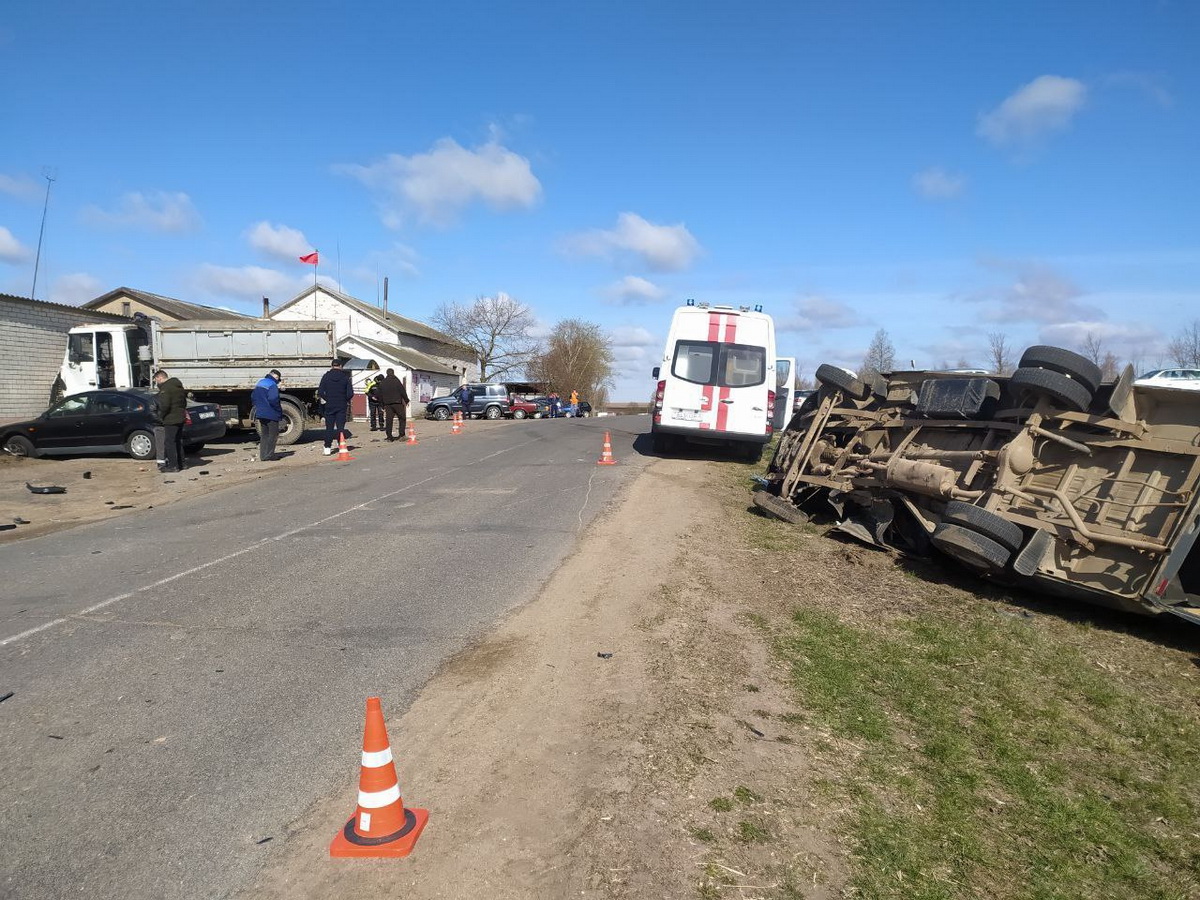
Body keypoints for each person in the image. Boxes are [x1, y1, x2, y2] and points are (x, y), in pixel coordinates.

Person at [318, 358, 354, 455]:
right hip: (341, 405)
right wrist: (344, 399)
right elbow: (350, 393)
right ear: (341, 366)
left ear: (332, 366)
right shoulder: (345, 377)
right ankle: (341, 445)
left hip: (329, 405)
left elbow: (320, 392)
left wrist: (328, 398)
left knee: (329, 428)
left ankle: (327, 448)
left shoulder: (326, 377)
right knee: (340, 427)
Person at [153, 368, 187, 473]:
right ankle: (182, 464)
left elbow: (165, 405)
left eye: (156, 380)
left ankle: (173, 466)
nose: (156, 383)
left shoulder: (166, 388)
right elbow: (184, 402)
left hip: (171, 419)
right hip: (180, 416)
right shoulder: (178, 386)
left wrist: (160, 416)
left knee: (170, 442)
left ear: (160, 377)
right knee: (178, 441)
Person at [251, 369, 283, 461]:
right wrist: (278, 410)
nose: (277, 381)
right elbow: (273, 399)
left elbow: (253, 396)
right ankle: (270, 455)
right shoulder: (272, 385)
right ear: (275, 376)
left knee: (264, 434)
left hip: (260, 412)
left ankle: (263, 456)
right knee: (273, 434)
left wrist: (258, 406)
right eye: (277, 378)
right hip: (271, 413)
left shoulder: (260, 382)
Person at [375, 368, 410, 441]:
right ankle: (402, 435)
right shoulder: (396, 381)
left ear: (387, 373)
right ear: (393, 373)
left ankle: (389, 437)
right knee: (402, 418)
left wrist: (381, 405)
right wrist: (406, 400)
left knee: (389, 420)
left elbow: (379, 395)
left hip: (387, 404)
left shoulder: (383, 382)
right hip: (397, 403)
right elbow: (402, 391)